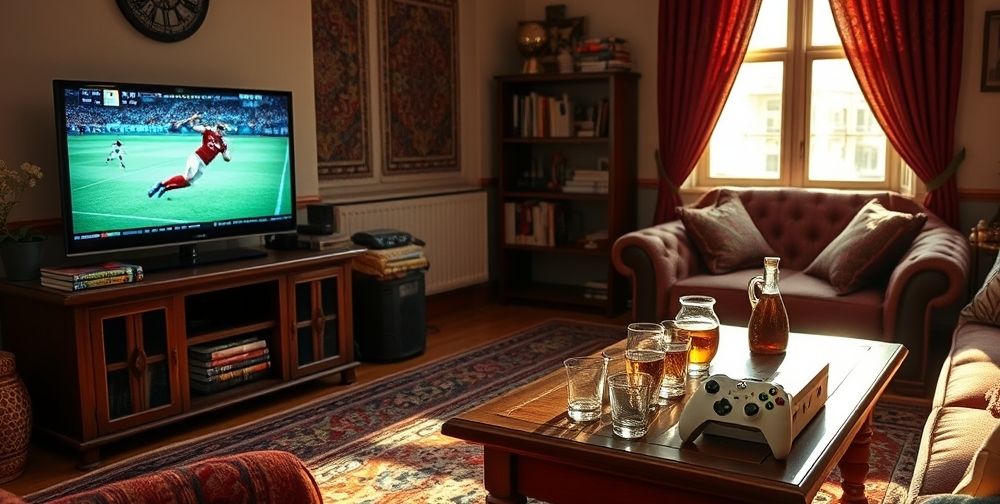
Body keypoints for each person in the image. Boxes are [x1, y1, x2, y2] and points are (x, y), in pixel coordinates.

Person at [148, 113, 232, 198]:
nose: (225, 132)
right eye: (223, 129)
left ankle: (166, 188)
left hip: (203, 165)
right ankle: (160, 184)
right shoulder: (208, 131)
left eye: (225, 130)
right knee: (188, 176)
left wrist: (226, 149)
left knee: (188, 183)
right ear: (218, 129)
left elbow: (227, 159)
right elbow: (194, 128)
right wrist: (193, 120)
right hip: (196, 157)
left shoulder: (222, 143)